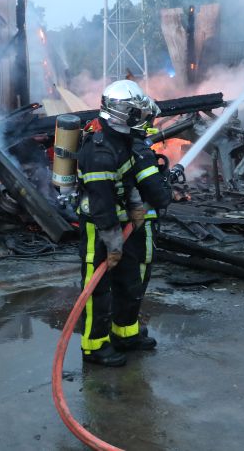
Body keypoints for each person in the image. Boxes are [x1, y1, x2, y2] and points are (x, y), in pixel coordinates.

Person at [76, 79, 173, 367]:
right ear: (123, 115)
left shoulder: (123, 141)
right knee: (97, 290)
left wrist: (135, 207)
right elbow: (102, 202)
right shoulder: (99, 152)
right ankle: (94, 347)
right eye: (137, 113)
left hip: (123, 223)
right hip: (99, 227)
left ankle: (125, 334)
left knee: (129, 282)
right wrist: (113, 242)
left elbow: (127, 179)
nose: (143, 118)